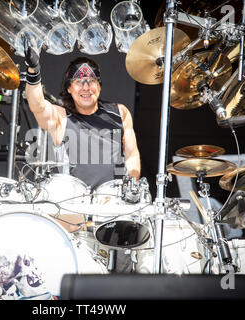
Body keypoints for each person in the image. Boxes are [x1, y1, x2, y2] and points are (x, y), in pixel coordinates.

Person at [23, 42, 143, 272]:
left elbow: (132, 154)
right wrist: (33, 71)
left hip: (112, 204)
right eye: (79, 82)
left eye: (91, 81)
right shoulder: (60, 117)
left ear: (99, 85)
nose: (86, 87)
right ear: (69, 88)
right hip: (73, 209)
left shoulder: (120, 112)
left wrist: (133, 180)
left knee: (125, 267)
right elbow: (37, 105)